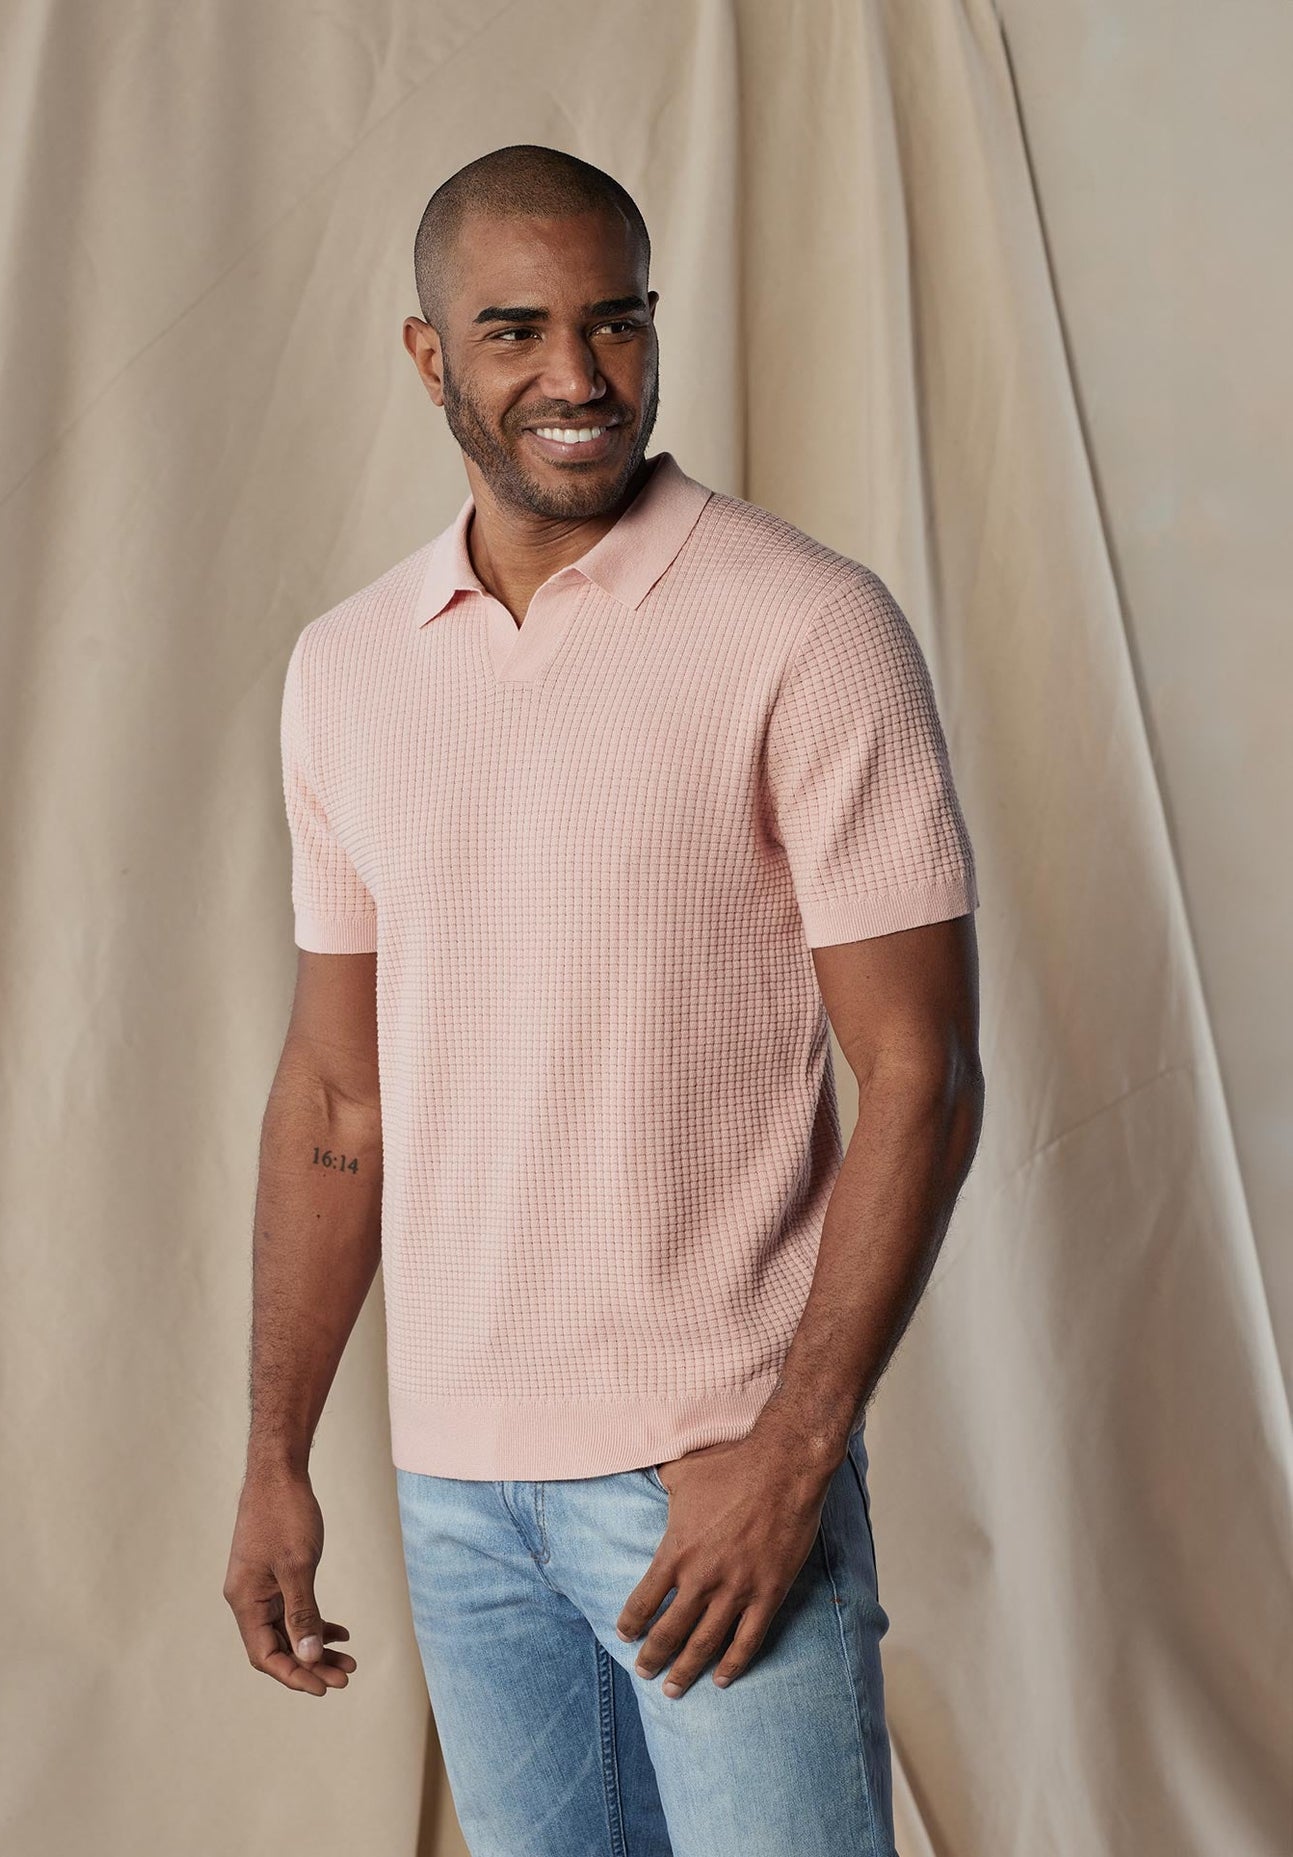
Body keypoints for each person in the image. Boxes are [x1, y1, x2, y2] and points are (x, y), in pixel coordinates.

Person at [224, 143, 985, 1857]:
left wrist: (792, 1451)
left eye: (614, 322)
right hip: (455, 1491)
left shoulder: (805, 625)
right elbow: (338, 1097)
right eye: (515, 331)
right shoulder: (347, 667)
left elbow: (920, 1072)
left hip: (710, 1467)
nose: (577, 376)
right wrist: (277, 1455)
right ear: (429, 355)